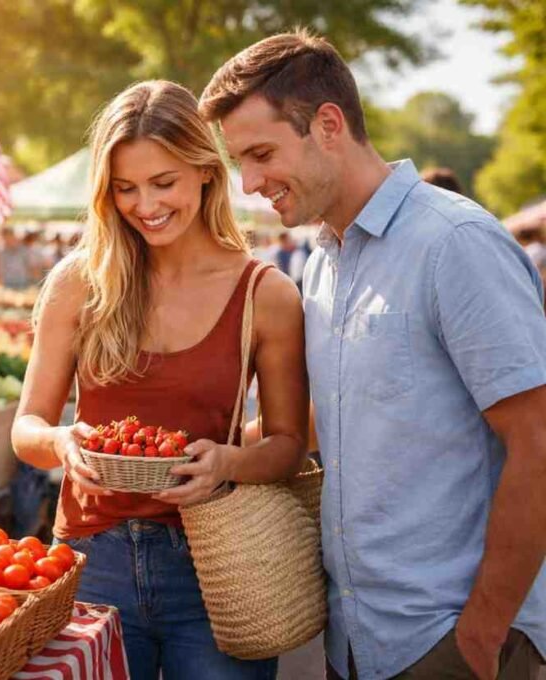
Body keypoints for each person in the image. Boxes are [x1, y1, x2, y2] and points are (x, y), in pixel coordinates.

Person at [201, 29, 546, 680]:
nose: (248, 184)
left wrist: (483, 630)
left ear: (328, 124)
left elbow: (539, 441)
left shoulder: (456, 243)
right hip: (357, 640)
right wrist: (197, 452)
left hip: (450, 641)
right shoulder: (323, 264)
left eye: (261, 153)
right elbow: (325, 421)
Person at [11, 80, 308, 680]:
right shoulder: (79, 282)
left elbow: (287, 446)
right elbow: (27, 427)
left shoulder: (265, 294)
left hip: (216, 564)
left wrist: (225, 463)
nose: (144, 205)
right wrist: (63, 442)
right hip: (93, 556)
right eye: (125, 188)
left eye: (163, 183)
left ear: (204, 171)